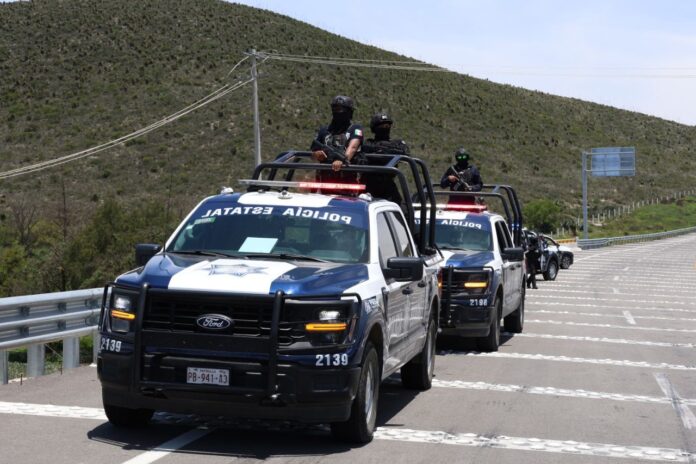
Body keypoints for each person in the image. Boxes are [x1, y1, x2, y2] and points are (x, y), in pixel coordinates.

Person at [310, 95, 365, 182]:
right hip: (325, 178)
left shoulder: (355, 129)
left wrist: (342, 160)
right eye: (336, 109)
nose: (338, 112)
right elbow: (313, 152)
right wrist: (317, 154)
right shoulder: (324, 130)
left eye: (342, 109)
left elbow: (353, 147)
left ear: (349, 112)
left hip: (347, 178)